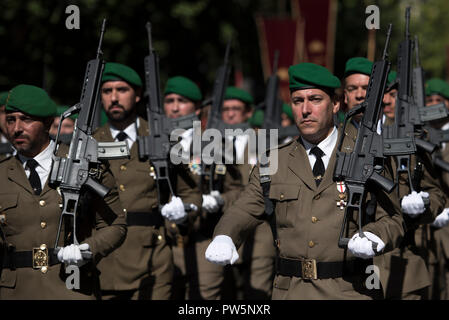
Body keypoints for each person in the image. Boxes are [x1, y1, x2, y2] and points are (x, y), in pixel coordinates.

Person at [205, 62, 405, 299]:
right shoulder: (274, 159)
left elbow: (394, 218)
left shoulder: (365, 154)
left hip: (350, 289)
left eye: (315, 99)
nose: (305, 110)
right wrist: (225, 235)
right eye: (298, 101)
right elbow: (244, 208)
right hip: (291, 291)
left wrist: (376, 234)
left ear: (336, 104)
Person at [0, 84, 127, 299]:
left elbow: (116, 223)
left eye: (27, 119)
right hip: (16, 291)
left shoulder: (83, 164)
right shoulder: (3, 173)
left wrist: (89, 249)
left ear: (49, 123)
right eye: (11, 120)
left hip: (71, 285)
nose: (17, 128)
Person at [94, 63, 201, 300]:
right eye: (107, 91)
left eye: (122, 90)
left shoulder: (163, 139)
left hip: (153, 261)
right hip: (103, 262)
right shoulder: (88, 143)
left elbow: (191, 192)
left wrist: (183, 212)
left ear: (138, 95)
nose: (114, 97)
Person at [163, 75, 244, 299]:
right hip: (164, 241)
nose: (175, 107)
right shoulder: (154, 141)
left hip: (203, 237)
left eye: (182, 101)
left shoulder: (217, 144)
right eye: (169, 101)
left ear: (197, 108)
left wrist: (219, 201)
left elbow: (238, 190)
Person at [375, 72, 446, 300]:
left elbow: (435, 190)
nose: (386, 101)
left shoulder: (416, 135)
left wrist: (424, 206)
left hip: (408, 248)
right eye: (383, 94)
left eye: (393, 95)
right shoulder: (356, 134)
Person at [340, 57, 372, 127]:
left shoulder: (397, 129)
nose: (359, 95)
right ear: (345, 96)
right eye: (352, 89)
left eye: (366, 88)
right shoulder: (339, 135)